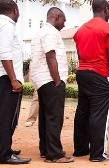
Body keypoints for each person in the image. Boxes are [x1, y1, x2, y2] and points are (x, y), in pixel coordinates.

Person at [73, 0, 109, 162]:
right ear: (105, 10)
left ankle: (80, 149)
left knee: (83, 112)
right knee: (100, 114)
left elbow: (79, 54)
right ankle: (98, 154)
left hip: (82, 73)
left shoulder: (81, 30)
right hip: (100, 74)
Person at [30, 7, 73, 163]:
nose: (64, 23)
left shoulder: (40, 32)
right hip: (49, 79)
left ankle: (46, 149)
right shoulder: (50, 32)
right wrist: (57, 80)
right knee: (55, 117)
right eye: (63, 20)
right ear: (56, 17)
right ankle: (54, 154)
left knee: (46, 117)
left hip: (41, 80)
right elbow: (50, 56)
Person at [0, 0, 31, 164]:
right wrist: (13, 79)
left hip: (4, 78)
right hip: (6, 79)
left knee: (4, 116)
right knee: (7, 117)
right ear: (15, 10)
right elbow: (5, 53)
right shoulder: (7, 25)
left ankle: (4, 148)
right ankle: (4, 154)